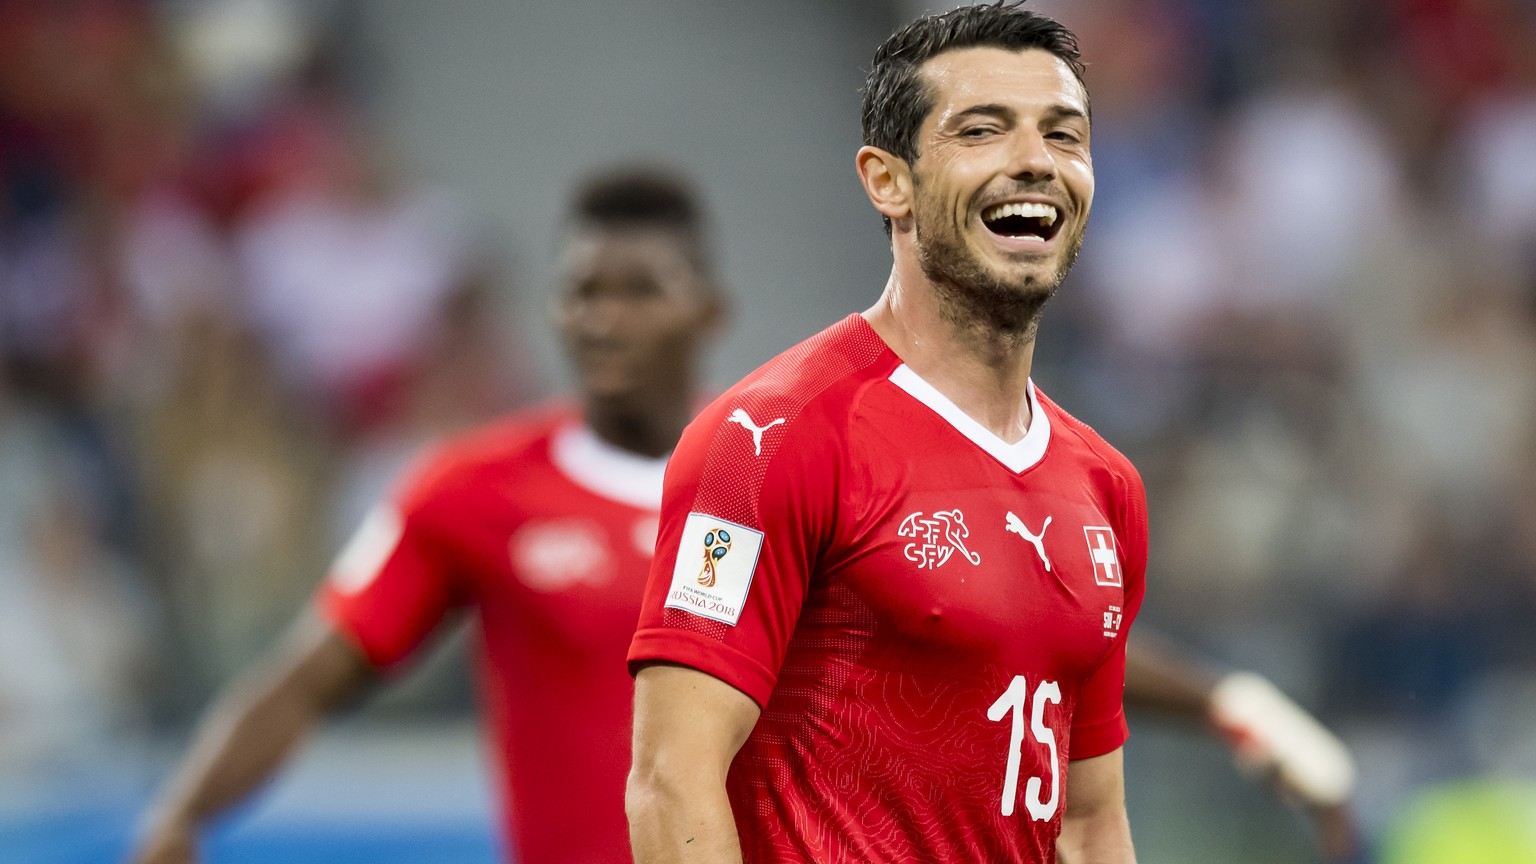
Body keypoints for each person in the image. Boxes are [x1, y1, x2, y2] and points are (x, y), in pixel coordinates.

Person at [625, 5, 1142, 862]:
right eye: (982, 130)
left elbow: (1087, 822)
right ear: (886, 181)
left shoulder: (1106, 486)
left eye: (1064, 135)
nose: (1035, 163)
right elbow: (672, 780)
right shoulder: (769, 439)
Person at [131, 167, 725, 864]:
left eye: (641, 292)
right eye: (583, 292)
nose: (605, 319)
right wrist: (182, 816)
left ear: (707, 311)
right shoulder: (472, 490)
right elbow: (306, 680)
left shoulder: (787, 476)